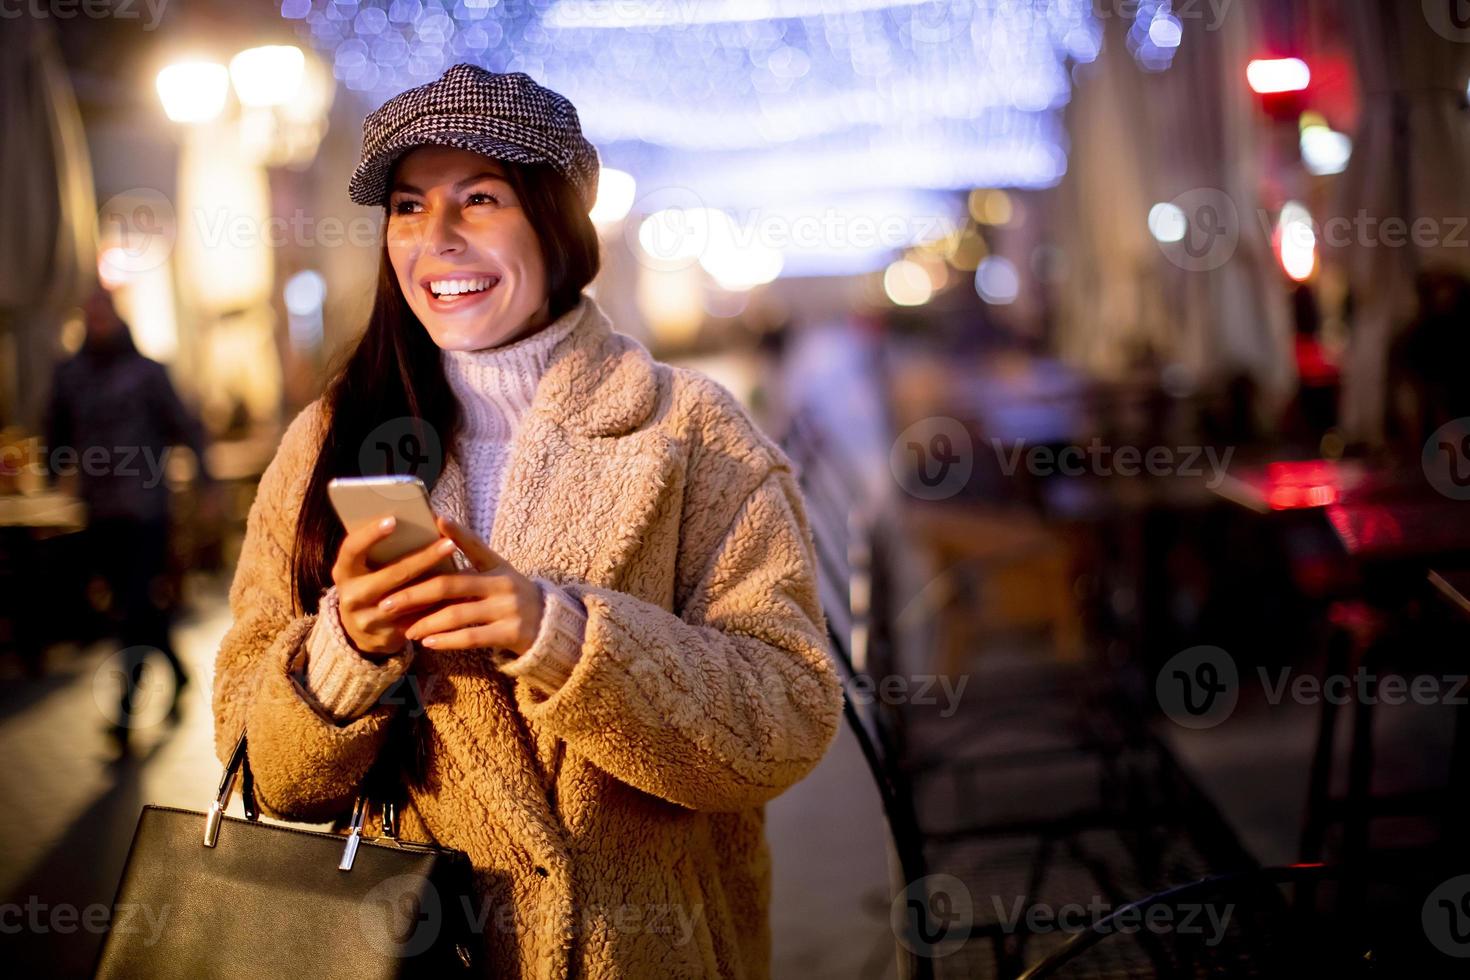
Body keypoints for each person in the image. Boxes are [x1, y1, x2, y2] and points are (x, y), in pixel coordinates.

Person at [210, 64, 843, 978]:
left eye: (481, 198)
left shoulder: (690, 429)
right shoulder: (327, 442)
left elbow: (785, 715)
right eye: (408, 206)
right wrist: (346, 653)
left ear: (556, 223)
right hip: (410, 954)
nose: (438, 240)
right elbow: (253, 763)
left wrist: (564, 636)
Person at [44, 284, 217, 756]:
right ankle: (178, 675)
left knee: (134, 606)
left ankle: (124, 712)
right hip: (98, 509)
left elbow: (186, 427)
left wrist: (206, 484)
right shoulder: (71, 375)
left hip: (146, 508)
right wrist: (52, 469)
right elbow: (55, 430)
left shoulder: (146, 373)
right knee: (132, 606)